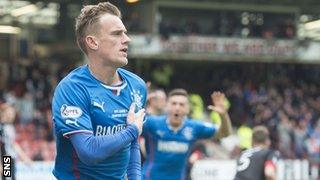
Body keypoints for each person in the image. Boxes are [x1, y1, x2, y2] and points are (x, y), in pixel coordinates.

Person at [51, 2, 147, 180]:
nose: (127, 39)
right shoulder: (72, 88)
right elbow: (89, 152)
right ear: (93, 42)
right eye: (117, 34)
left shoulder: (137, 86)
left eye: (125, 33)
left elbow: (133, 146)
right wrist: (132, 130)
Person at [141, 88, 233, 180]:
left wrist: (224, 115)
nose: (177, 108)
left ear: (187, 109)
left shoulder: (194, 127)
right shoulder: (152, 123)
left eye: (181, 104)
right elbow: (130, 125)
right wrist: (140, 102)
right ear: (167, 106)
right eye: (174, 103)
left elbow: (224, 134)